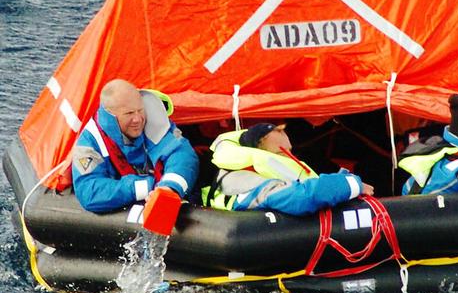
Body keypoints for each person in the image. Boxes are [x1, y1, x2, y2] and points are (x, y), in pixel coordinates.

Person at [72, 79, 199, 213]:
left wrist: (169, 188)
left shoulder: (155, 121)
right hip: (132, 198)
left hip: (162, 193)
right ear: (111, 116)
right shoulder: (89, 143)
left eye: (140, 110)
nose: (138, 119)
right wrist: (147, 187)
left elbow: (182, 154)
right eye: (129, 113)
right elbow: (89, 191)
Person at [202, 122, 374, 215]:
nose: (289, 159)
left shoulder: (243, 171)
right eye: (281, 153)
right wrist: (349, 184)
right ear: (260, 149)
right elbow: (301, 197)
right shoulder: (247, 181)